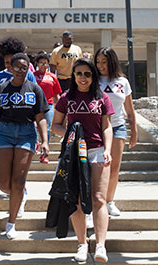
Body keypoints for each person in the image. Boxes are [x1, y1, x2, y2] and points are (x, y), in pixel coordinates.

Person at [52, 58, 114, 262]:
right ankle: (81, 244)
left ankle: (100, 246)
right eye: (79, 74)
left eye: (87, 74)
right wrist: (71, 135)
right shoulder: (66, 97)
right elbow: (56, 125)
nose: (83, 78)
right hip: (75, 154)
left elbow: (106, 126)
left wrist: (108, 149)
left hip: (97, 151)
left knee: (98, 199)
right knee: (76, 201)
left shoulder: (102, 97)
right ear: (73, 76)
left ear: (93, 76)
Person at [0, 53, 49, 239]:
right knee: (3, 183)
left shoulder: (35, 89)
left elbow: (40, 117)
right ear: (10, 68)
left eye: (24, 67)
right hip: (3, 132)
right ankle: (19, 195)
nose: (21, 71)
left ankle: (11, 222)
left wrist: (44, 140)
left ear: (29, 69)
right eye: (17, 67)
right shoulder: (2, 88)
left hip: (26, 133)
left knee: (19, 180)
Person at [95, 47, 137, 216]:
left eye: (104, 62)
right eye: (97, 62)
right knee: (97, 167)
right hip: (96, 128)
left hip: (118, 128)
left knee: (113, 168)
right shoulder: (92, 80)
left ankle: (109, 201)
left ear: (112, 62)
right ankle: (95, 201)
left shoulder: (123, 82)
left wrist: (133, 130)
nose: (100, 66)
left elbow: (130, 109)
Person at [33, 53, 62, 163]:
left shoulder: (52, 76)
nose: (43, 66)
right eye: (41, 63)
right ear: (37, 64)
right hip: (34, 105)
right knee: (34, 126)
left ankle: (45, 153)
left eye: (46, 64)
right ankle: (36, 144)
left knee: (47, 128)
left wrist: (61, 106)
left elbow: (57, 94)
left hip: (48, 105)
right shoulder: (32, 75)